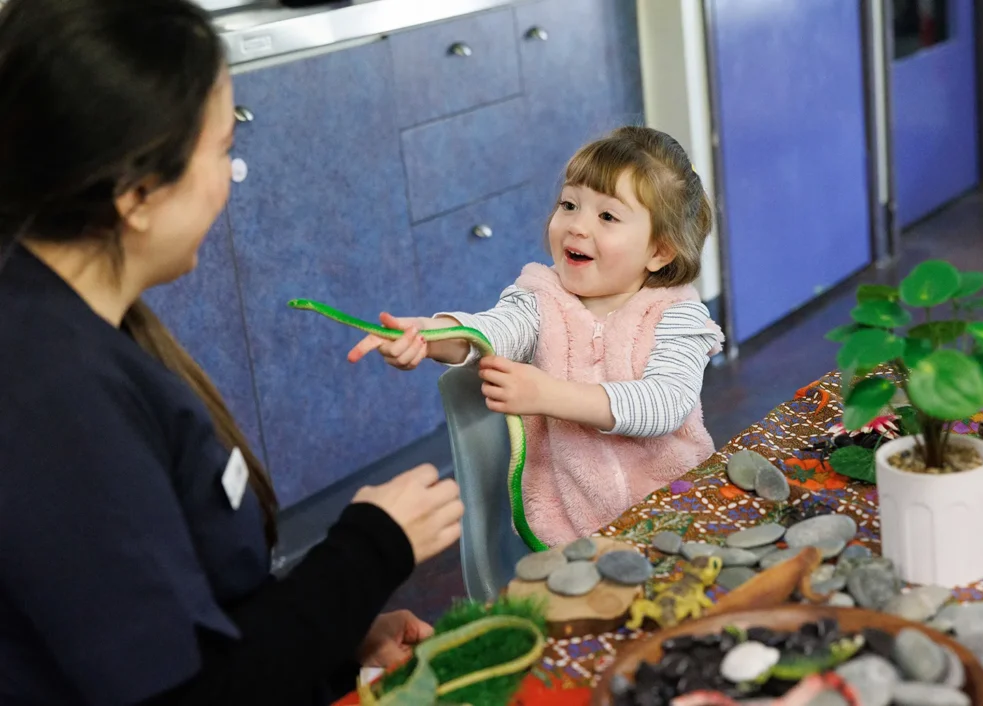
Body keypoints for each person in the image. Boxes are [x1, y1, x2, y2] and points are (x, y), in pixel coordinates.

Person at [0, 1, 464, 704]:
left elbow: (197, 618)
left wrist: (334, 640)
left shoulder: (76, 326)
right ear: (138, 191)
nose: (229, 175)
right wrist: (371, 546)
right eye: (221, 148)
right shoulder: (50, 397)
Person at [350, 126, 725, 547]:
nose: (577, 226)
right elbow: (491, 333)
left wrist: (548, 394)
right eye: (569, 204)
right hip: (569, 536)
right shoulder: (539, 298)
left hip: (676, 516)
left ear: (659, 251)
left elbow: (666, 404)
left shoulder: (679, 315)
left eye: (607, 216)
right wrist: (428, 333)